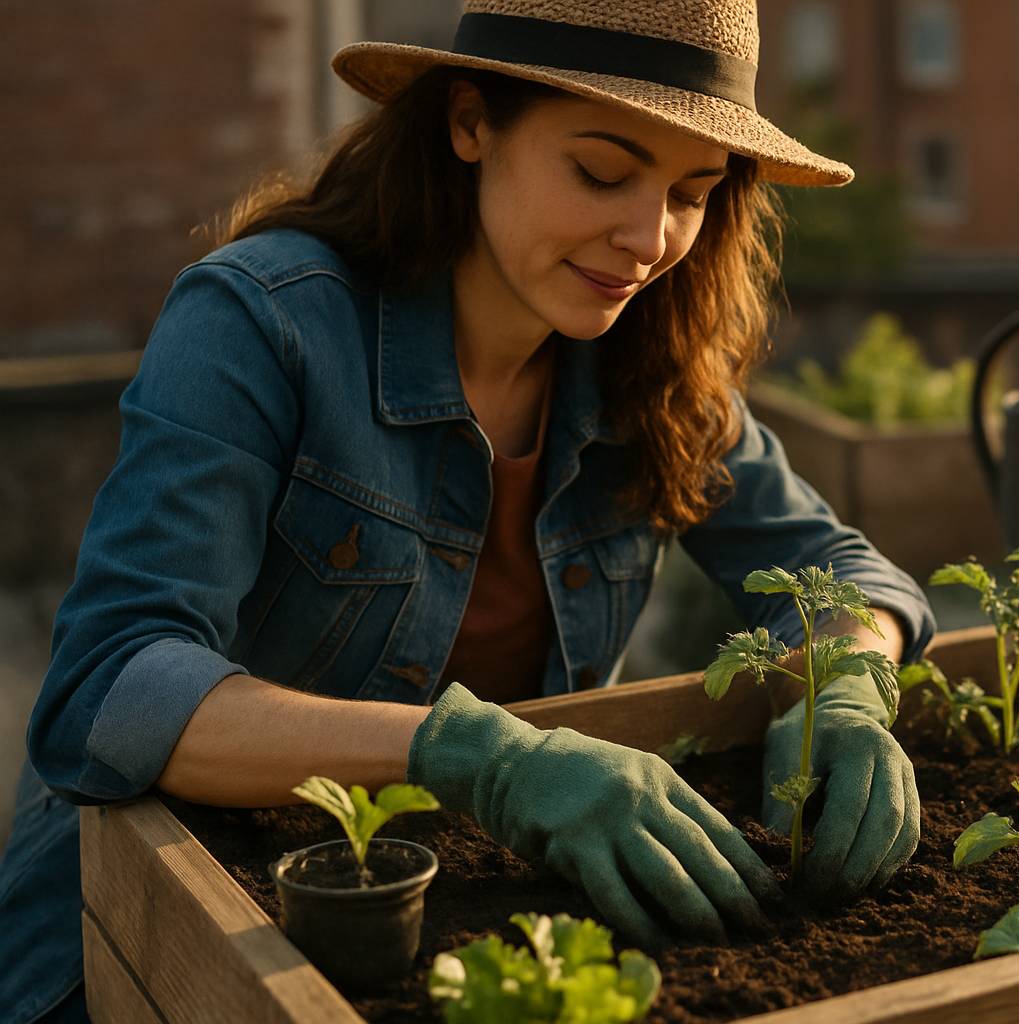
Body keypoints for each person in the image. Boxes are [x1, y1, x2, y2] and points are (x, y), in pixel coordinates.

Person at [0, 2, 936, 1021]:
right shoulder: (261, 324)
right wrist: (473, 757)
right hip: (150, 947)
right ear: (469, 123)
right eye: (602, 172)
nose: (649, 237)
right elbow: (111, 686)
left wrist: (847, 682)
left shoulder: (649, 373)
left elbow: (843, 569)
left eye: (692, 192)